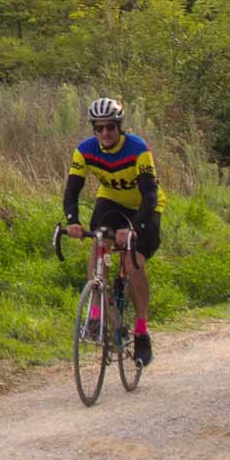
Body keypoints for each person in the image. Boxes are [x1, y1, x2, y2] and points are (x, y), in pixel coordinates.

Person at [63, 96, 159, 366]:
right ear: (94, 129)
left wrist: (134, 229)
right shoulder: (85, 150)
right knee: (99, 245)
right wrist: (72, 220)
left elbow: (150, 194)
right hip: (111, 200)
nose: (104, 133)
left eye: (110, 127)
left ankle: (141, 330)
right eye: (99, 128)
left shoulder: (138, 148)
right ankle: (97, 314)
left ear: (119, 127)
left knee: (132, 261)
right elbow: (72, 189)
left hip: (144, 206)